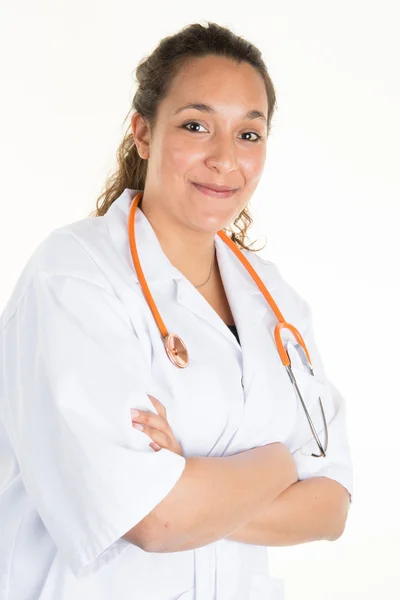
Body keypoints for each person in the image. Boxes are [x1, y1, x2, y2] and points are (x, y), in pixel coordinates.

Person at [0, 20, 353, 600]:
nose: (224, 159)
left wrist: (188, 480)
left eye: (249, 134)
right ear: (143, 132)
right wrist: (279, 464)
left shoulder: (275, 300)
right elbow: (155, 521)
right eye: (196, 125)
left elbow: (333, 507)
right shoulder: (73, 276)